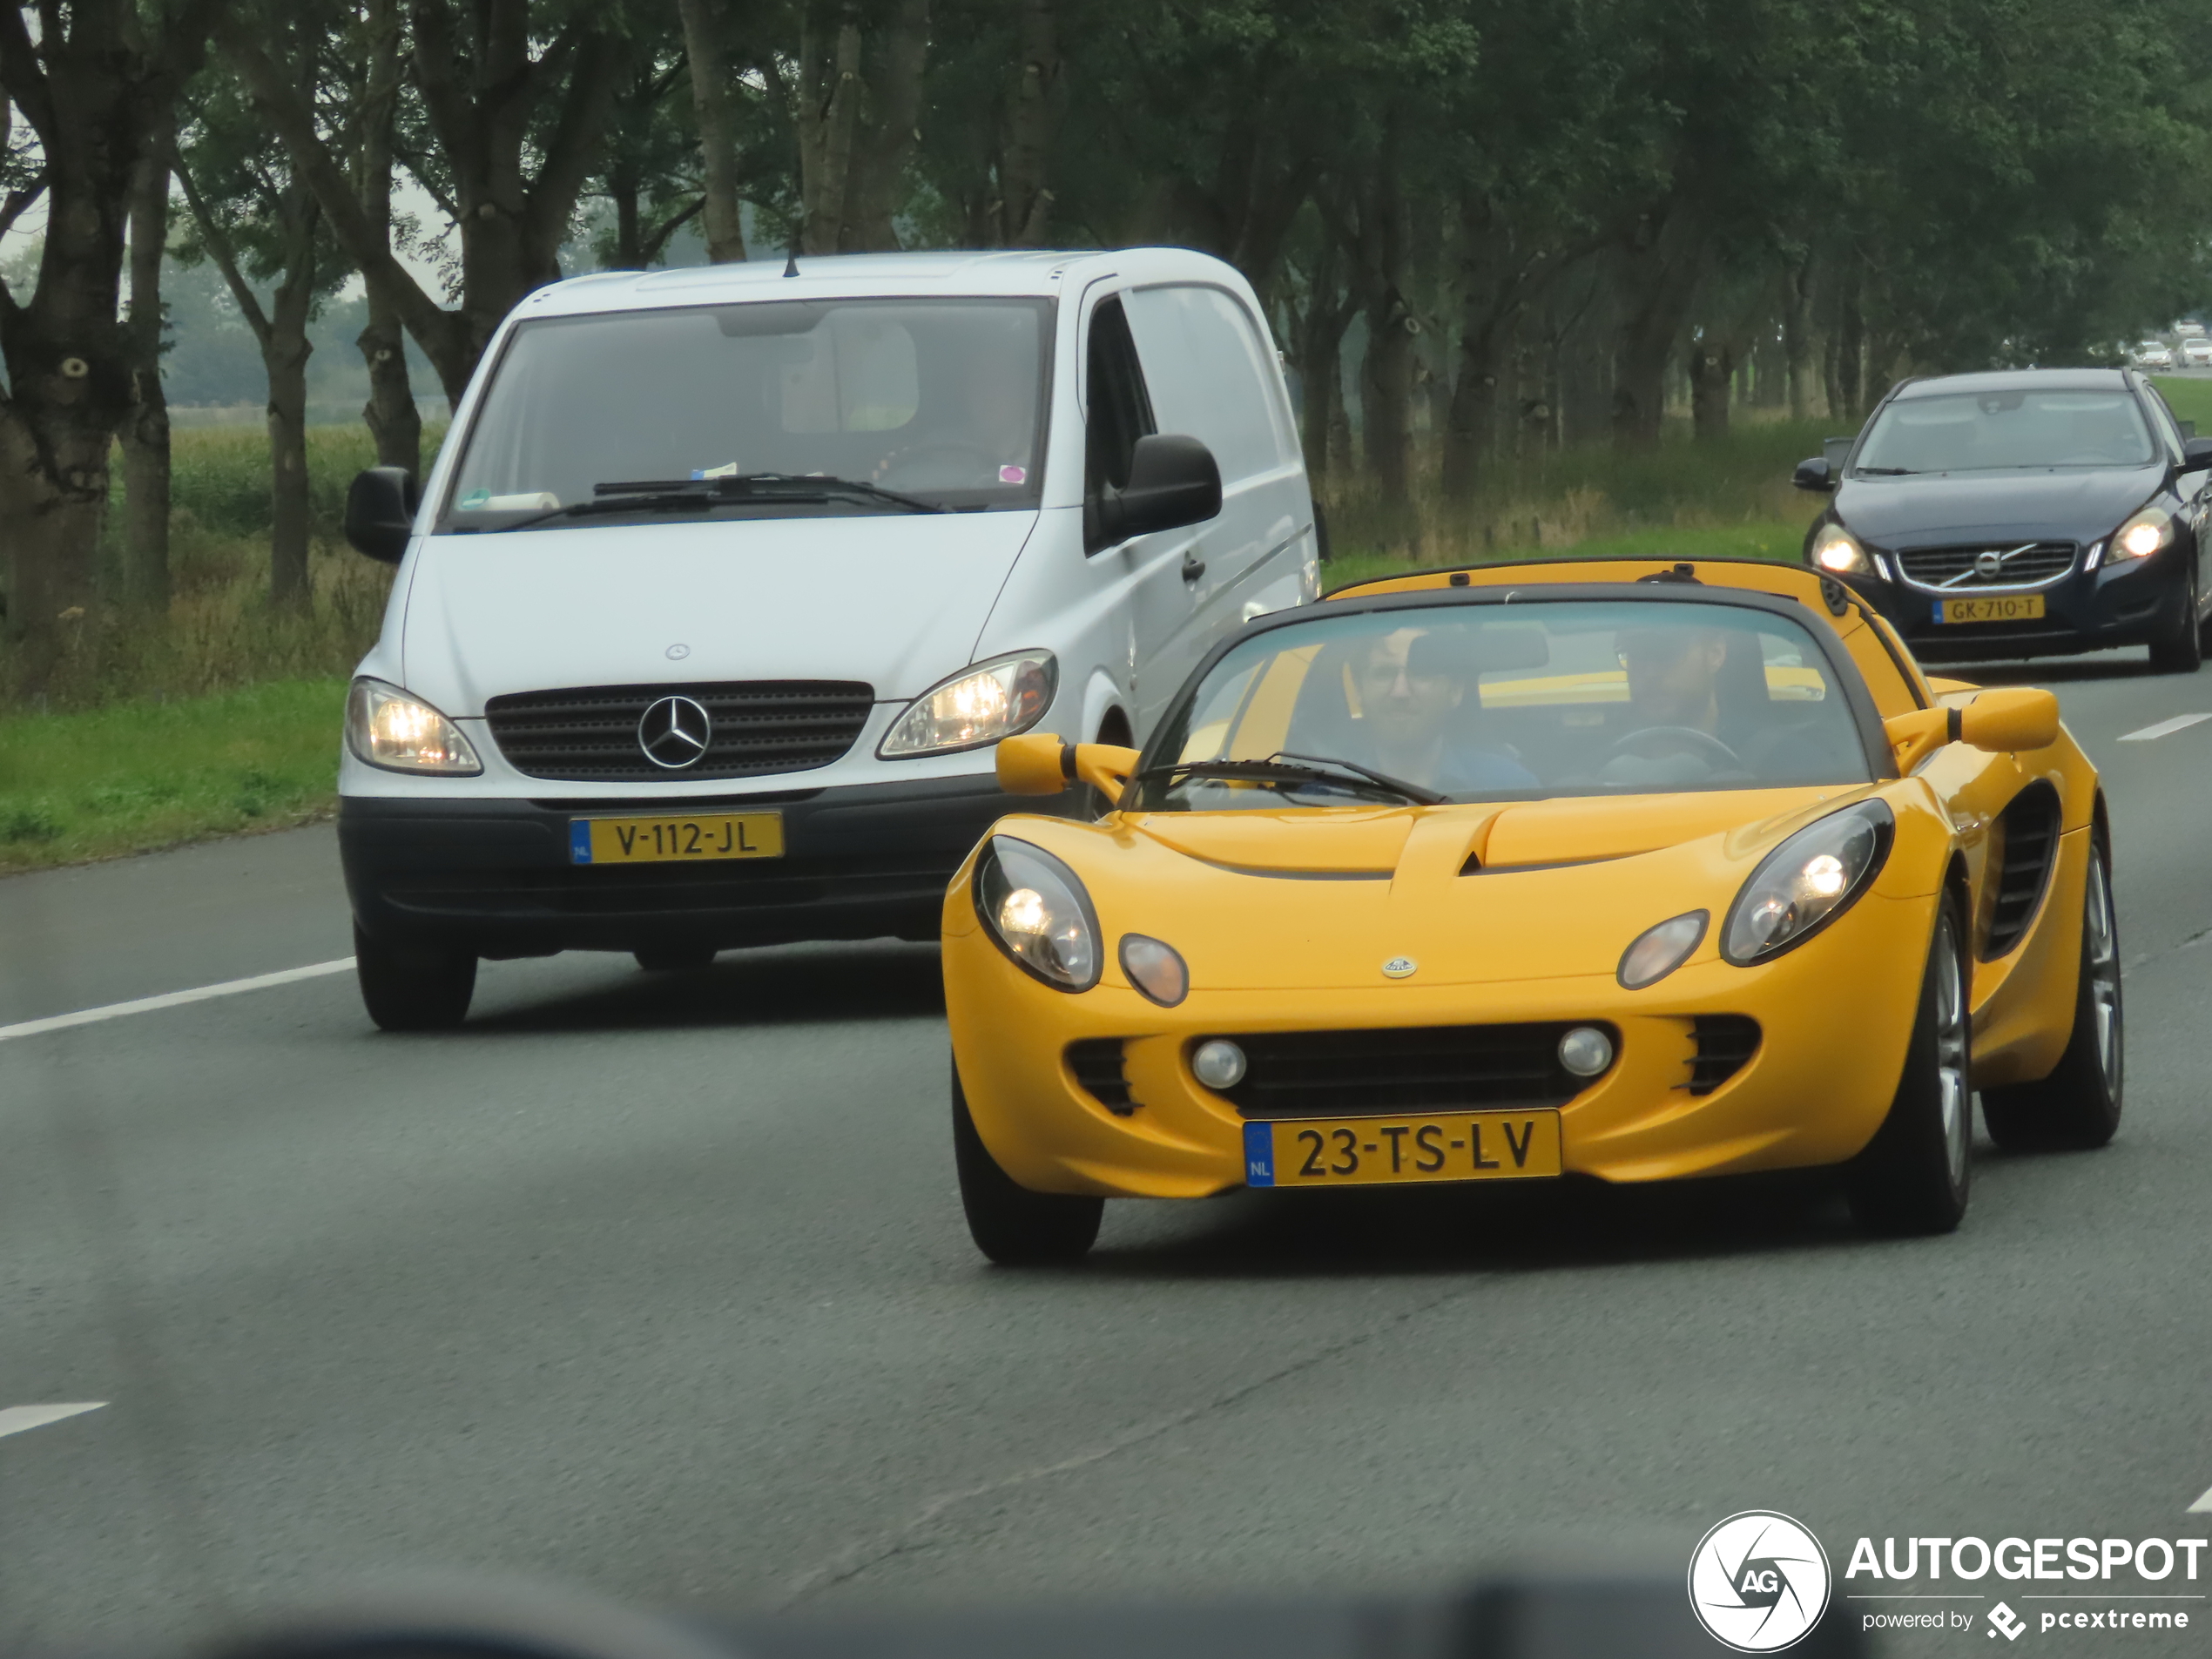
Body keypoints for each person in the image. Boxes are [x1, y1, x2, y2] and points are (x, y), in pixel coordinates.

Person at [1352, 628, 1537, 796]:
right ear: (1359, 689)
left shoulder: (1509, 787)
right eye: (1383, 673)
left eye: (1420, 673)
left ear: (1455, 690)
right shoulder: (1330, 791)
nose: (1400, 692)